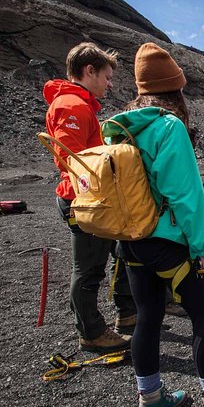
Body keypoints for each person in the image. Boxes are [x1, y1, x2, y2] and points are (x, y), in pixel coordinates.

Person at [101, 42, 204, 407]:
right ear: (175, 88)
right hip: (167, 244)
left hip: (130, 240)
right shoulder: (169, 126)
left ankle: (151, 399)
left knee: (148, 317)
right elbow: (186, 194)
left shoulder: (119, 128)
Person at [43, 42, 135, 352]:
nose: (110, 84)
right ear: (89, 71)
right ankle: (91, 332)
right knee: (88, 269)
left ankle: (126, 314)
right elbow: (69, 158)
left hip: (92, 197)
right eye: (107, 77)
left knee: (118, 252)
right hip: (84, 200)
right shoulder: (72, 106)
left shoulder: (79, 104)